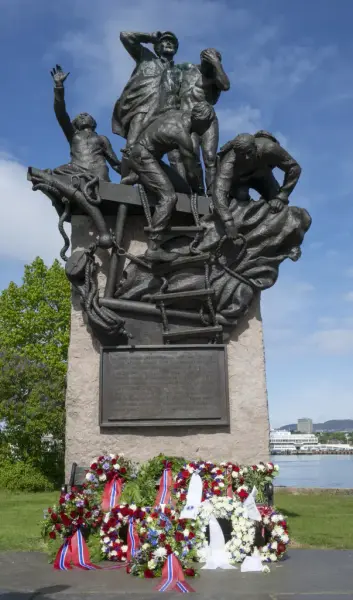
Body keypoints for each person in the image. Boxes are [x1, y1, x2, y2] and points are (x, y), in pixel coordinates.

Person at [122, 102, 216, 262]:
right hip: (142, 157)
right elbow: (192, 172)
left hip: (149, 157)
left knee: (184, 190)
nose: (206, 130)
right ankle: (153, 247)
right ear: (200, 121)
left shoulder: (177, 113)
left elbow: (150, 123)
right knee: (168, 197)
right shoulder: (183, 136)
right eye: (207, 125)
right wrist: (199, 192)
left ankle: (140, 176)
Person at [112, 30, 180, 181]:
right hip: (143, 110)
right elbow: (125, 36)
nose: (169, 43)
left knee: (174, 153)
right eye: (164, 41)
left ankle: (182, 190)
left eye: (172, 42)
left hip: (165, 117)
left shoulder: (178, 72)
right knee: (131, 147)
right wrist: (150, 37)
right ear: (157, 46)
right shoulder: (147, 58)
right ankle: (125, 187)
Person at [213, 131, 302, 238]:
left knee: (279, 207)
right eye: (242, 155)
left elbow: (294, 168)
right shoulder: (229, 161)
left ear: (255, 146)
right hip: (240, 181)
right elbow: (219, 191)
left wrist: (282, 196)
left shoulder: (269, 148)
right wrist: (228, 222)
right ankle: (244, 237)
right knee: (239, 205)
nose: (246, 157)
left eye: (249, 152)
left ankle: (272, 239)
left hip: (263, 176)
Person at [168, 48, 230, 195]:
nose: (211, 66)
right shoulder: (188, 69)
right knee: (191, 154)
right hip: (187, 118)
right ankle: (197, 190)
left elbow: (226, 86)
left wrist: (216, 64)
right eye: (208, 62)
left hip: (207, 118)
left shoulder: (217, 77)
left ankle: (213, 194)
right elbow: (168, 71)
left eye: (214, 63)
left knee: (210, 158)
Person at [51, 65, 121, 181]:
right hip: (75, 169)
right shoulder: (73, 135)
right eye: (79, 117)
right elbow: (61, 113)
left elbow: (115, 163)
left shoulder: (102, 138)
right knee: (55, 174)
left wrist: (133, 172)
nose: (82, 116)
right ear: (75, 124)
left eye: (86, 115)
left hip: (98, 170)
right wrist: (59, 86)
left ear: (93, 122)